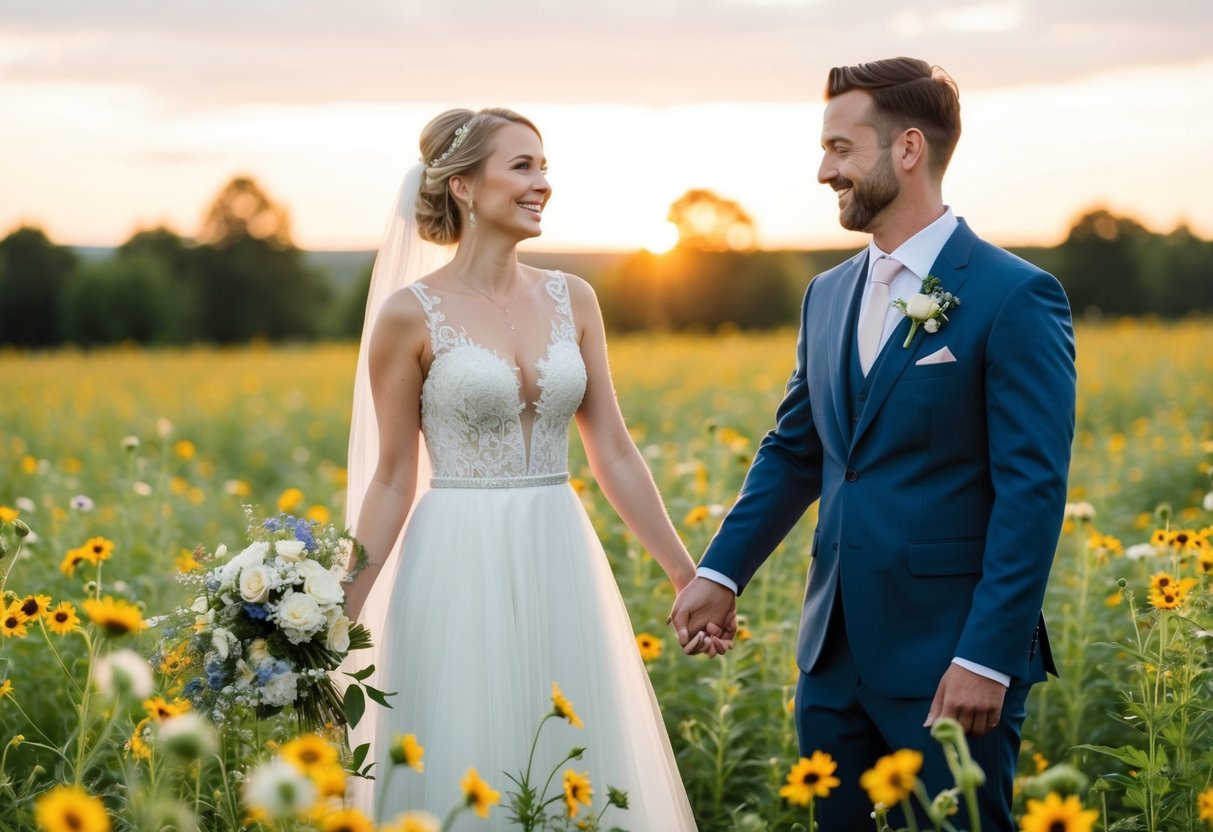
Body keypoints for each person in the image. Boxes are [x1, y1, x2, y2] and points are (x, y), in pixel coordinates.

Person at [669, 58, 1076, 831]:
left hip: (950, 660)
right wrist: (721, 570)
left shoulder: (1013, 295)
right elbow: (796, 451)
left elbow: (1032, 491)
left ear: (908, 150)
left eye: (840, 148)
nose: (823, 170)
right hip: (829, 660)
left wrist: (985, 656)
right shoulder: (825, 296)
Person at [342, 107, 703, 830]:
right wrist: (338, 617)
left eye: (543, 168)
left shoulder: (575, 298)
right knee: (469, 754)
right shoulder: (407, 316)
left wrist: (686, 574)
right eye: (522, 167)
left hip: (558, 547)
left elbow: (614, 450)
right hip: (455, 559)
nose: (542, 184)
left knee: (572, 748)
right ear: (464, 188)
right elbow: (389, 477)